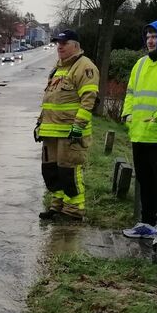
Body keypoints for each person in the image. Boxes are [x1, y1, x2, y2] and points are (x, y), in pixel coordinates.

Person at [36, 29, 99, 220]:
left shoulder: (85, 67)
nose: (60, 47)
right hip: (51, 132)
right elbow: (49, 99)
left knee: (69, 172)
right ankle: (57, 206)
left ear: (76, 46)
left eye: (64, 43)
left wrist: (78, 127)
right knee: (52, 173)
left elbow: (88, 100)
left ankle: (73, 211)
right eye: (58, 43)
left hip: (71, 133)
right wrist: (39, 123)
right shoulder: (57, 69)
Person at [120, 19, 157, 239]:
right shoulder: (140, 64)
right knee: (145, 181)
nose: (151, 41)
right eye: (148, 37)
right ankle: (146, 223)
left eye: (155, 36)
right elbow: (131, 92)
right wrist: (127, 115)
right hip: (139, 134)